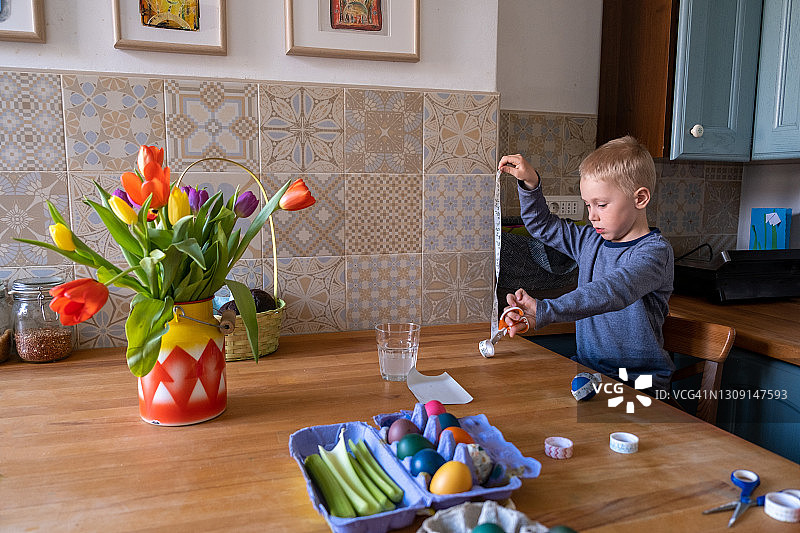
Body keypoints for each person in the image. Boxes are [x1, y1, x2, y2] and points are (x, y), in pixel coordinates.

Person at [498, 136, 674, 392]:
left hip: (638, 382)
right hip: (588, 372)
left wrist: (546, 309)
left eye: (601, 205)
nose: (592, 215)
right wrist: (530, 184)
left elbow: (613, 290)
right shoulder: (589, 240)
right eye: (587, 205)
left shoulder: (655, 253)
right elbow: (542, 225)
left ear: (640, 199)